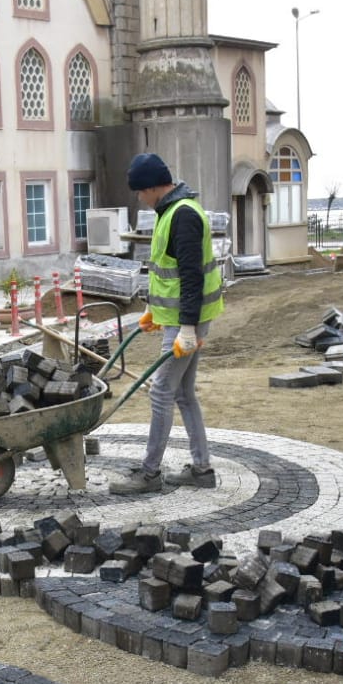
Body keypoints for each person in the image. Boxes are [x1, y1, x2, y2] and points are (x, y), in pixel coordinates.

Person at [109, 152, 224, 494]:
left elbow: (191, 277)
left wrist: (187, 328)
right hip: (176, 317)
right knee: (184, 394)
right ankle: (201, 469)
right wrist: (153, 311)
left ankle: (149, 474)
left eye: (139, 192)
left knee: (161, 392)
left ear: (153, 187)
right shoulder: (169, 211)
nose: (138, 198)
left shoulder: (183, 215)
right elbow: (166, 272)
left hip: (186, 321)